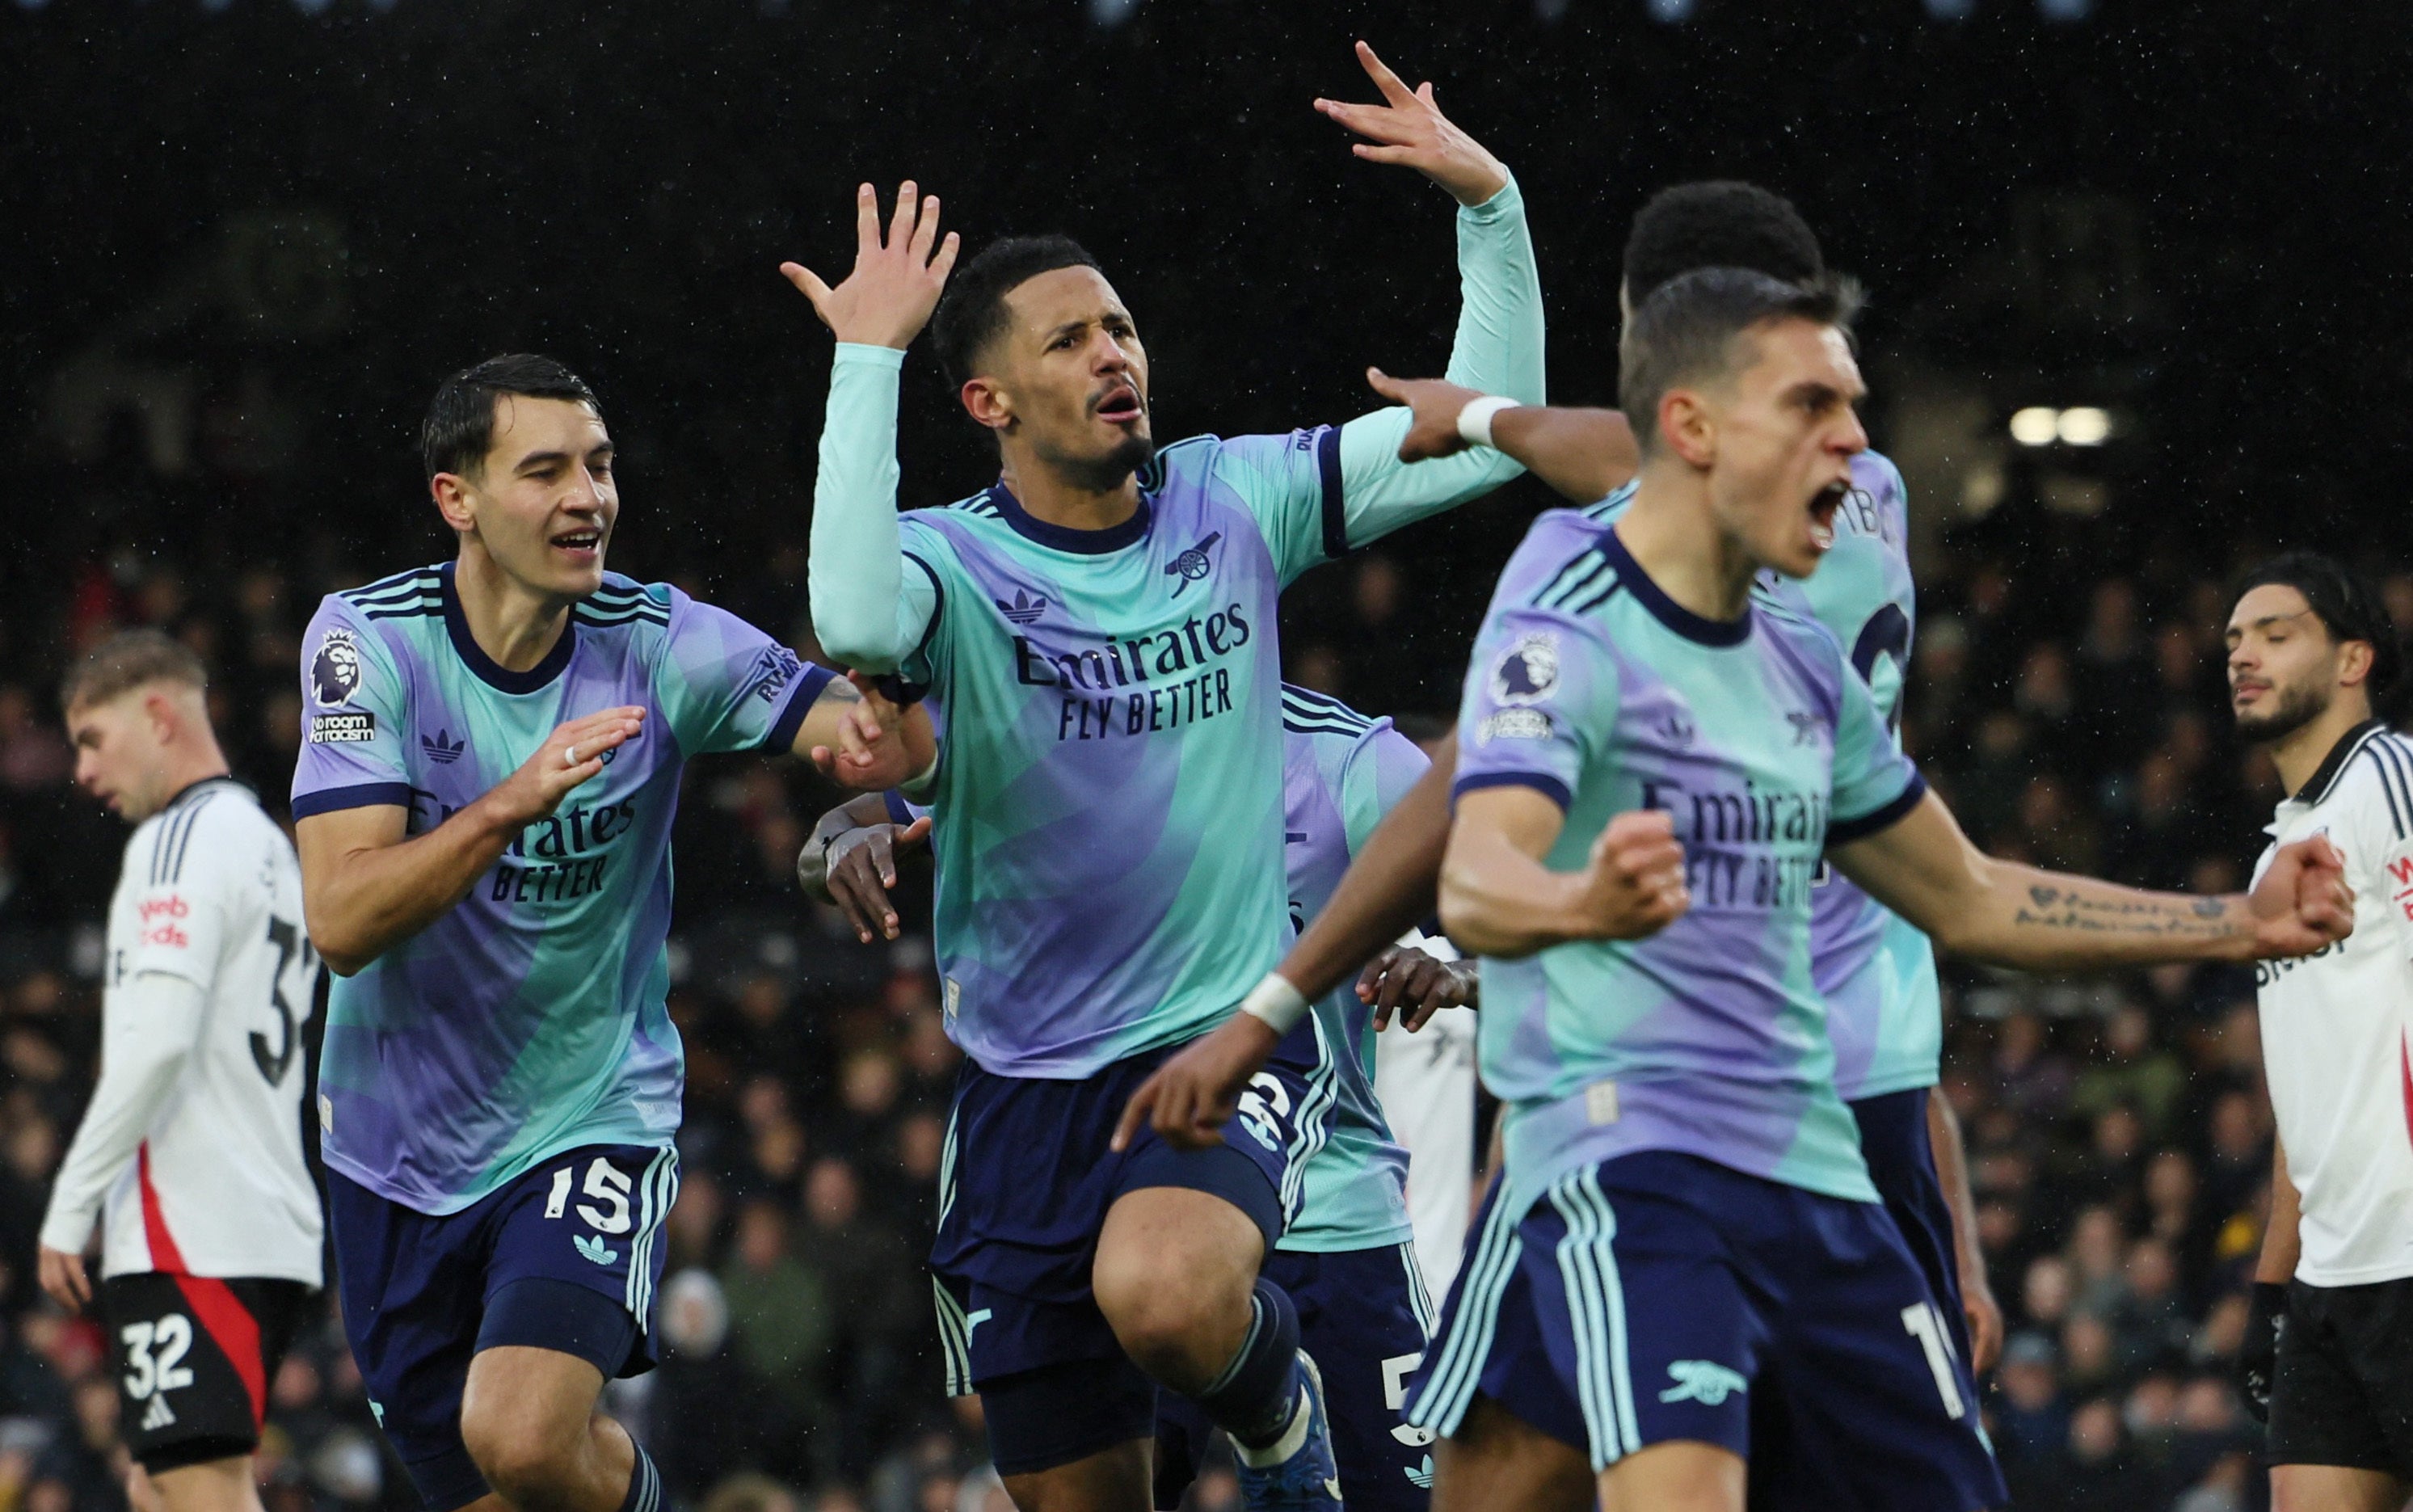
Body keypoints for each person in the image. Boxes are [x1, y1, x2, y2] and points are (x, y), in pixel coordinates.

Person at [785, 40, 1542, 1510]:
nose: (1113, 353)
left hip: (1217, 1041)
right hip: (1019, 1088)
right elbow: (859, 623)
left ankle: (1279, 1431)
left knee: (1173, 1297)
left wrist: (1490, 205)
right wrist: (866, 355)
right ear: (989, 401)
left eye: (1120, 326)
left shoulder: (1232, 494)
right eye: (1067, 340)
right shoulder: (954, 561)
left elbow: (1488, 437)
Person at [1124, 181, 2004, 1381]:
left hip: (1690, 1104)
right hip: (1858, 1074)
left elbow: (1481, 790)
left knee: (1535, 1445)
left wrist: (1483, 411)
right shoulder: (1868, 500)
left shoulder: (1635, 552)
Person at [289, 353, 928, 1512]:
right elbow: (339, 919)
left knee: (524, 1434)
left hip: (585, 1115)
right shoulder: (365, 643)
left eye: (599, 464)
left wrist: (874, 799)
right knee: (495, 1485)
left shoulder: (659, 640)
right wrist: (505, 806)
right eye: (545, 470)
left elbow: (879, 735)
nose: (588, 495)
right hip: (389, 1152)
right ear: (458, 499)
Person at [800, 685, 1476, 1512]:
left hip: (1331, 1214)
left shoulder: (1352, 762)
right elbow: (845, 821)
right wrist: (844, 837)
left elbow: (1538, 891)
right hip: (1138, 1209)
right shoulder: (1063, 737)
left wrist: (1464, 973)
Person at [38, 632, 324, 1512]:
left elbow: (158, 1042)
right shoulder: (270, 846)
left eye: (93, 737)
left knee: (200, 1488)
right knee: (158, 1483)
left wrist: (71, 1201)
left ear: (158, 715)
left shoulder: (182, 841)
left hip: (193, 1225)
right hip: (255, 1216)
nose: (83, 769)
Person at [2224, 552, 2413, 1512]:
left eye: (2273, 632)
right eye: (2232, 640)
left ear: (2352, 660)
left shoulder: (2393, 780)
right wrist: (2273, 1282)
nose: (2241, 654)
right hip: (2330, 1280)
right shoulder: (2278, 851)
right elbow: (2310, 1091)